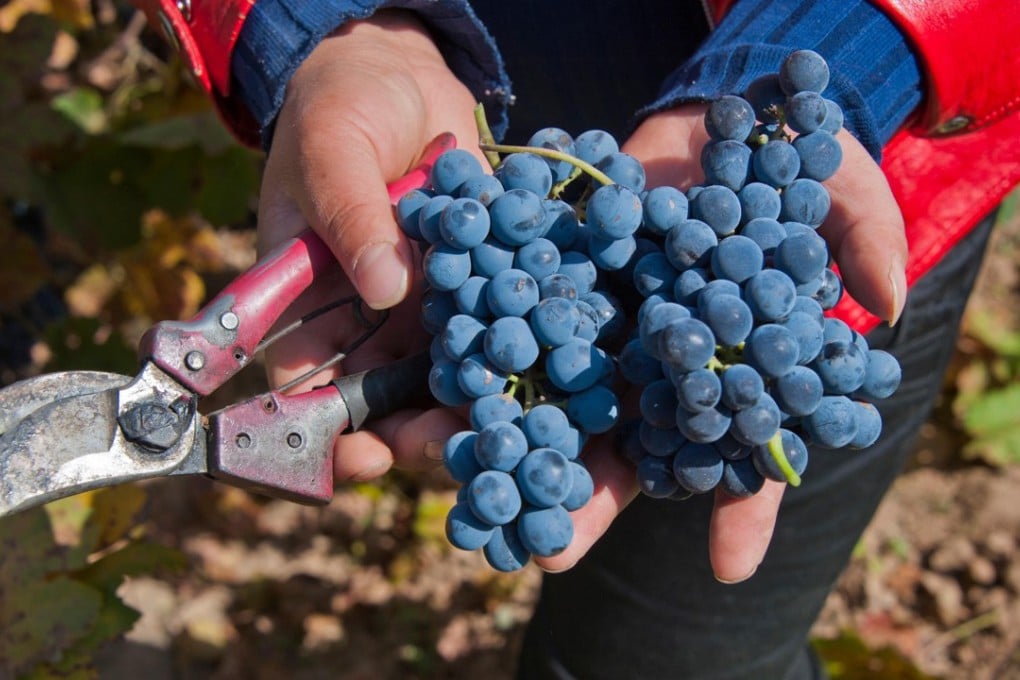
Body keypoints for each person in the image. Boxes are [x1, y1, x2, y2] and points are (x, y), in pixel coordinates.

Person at [134, 0, 1020, 677]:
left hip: (861, 168)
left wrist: (851, 32)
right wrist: (324, 25)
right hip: (488, 103)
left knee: (676, 658)